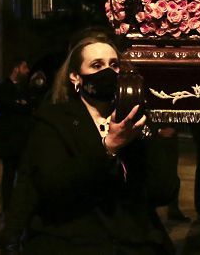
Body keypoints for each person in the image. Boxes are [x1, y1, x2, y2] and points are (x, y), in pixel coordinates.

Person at [21, 32, 177, 253]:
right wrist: (109, 147)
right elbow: (54, 186)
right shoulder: (54, 121)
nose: (107, 72)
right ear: (75, 77)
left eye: (114, 65)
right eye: (96, 65)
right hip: (76, 242)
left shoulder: (135, 120)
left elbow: (163, 190)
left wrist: (155, 140)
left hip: (133, 242)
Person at [0, 57, 35, 214]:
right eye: (25, 67)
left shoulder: (26, 88)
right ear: (16, 68)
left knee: (24, 175)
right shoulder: (2, 88)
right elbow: (7, 105)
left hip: (24, 139)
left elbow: (29, 106)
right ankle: (8, 205)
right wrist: (20, 104)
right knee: (8, 175)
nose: (28, 70)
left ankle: (21, 204)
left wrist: (21, 105)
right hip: (10, 139)